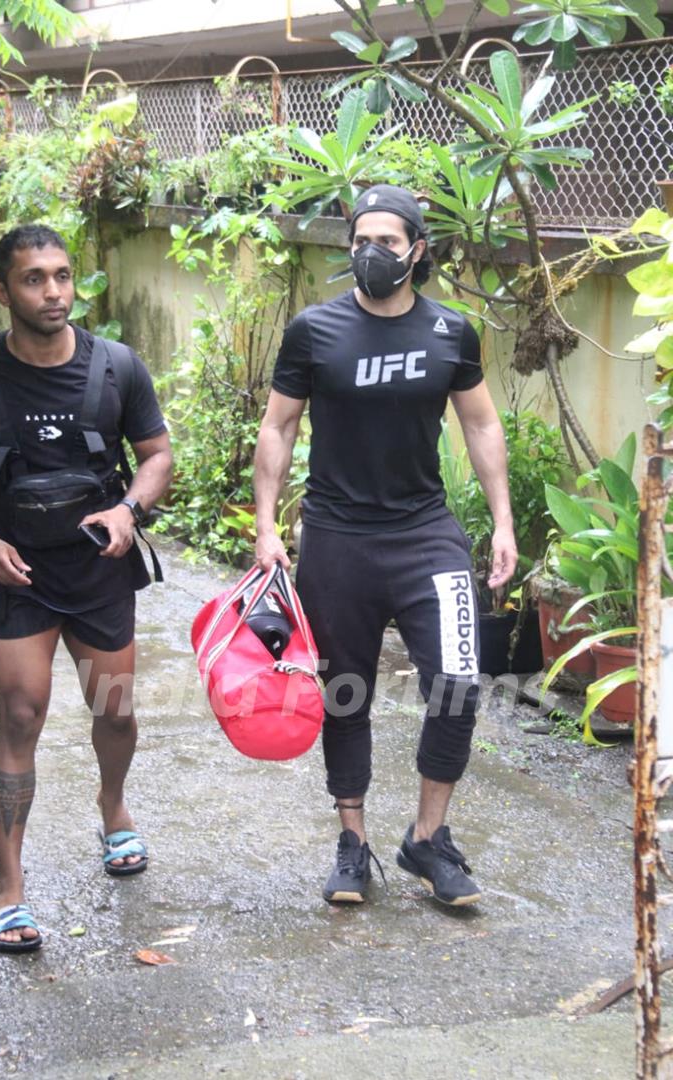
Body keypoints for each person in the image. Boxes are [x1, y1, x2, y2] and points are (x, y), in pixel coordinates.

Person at [254, 185, 517, 908]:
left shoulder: (451, 332)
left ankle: (427, 840)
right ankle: (354, 841)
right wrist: (268, 525)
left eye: (387, 242)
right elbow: (277, 427)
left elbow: (482, 425)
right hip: (337, 539)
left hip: (425, 533)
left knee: (459, 682)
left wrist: (503, 521)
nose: (370, 253)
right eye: (360, 240)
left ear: (418, 250)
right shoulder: (315, 330)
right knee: (346, 694)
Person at [0, 225, 172, 952]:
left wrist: (128, 510)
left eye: (61, 276)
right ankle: (8, 890)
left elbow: (157, 457)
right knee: (21, 714)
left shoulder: (116, 368)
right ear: (2, 292)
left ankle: (113, 806)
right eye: (33, 279)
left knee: (114, 712)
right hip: (17, 573)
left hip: (98, 568)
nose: (53, 292)